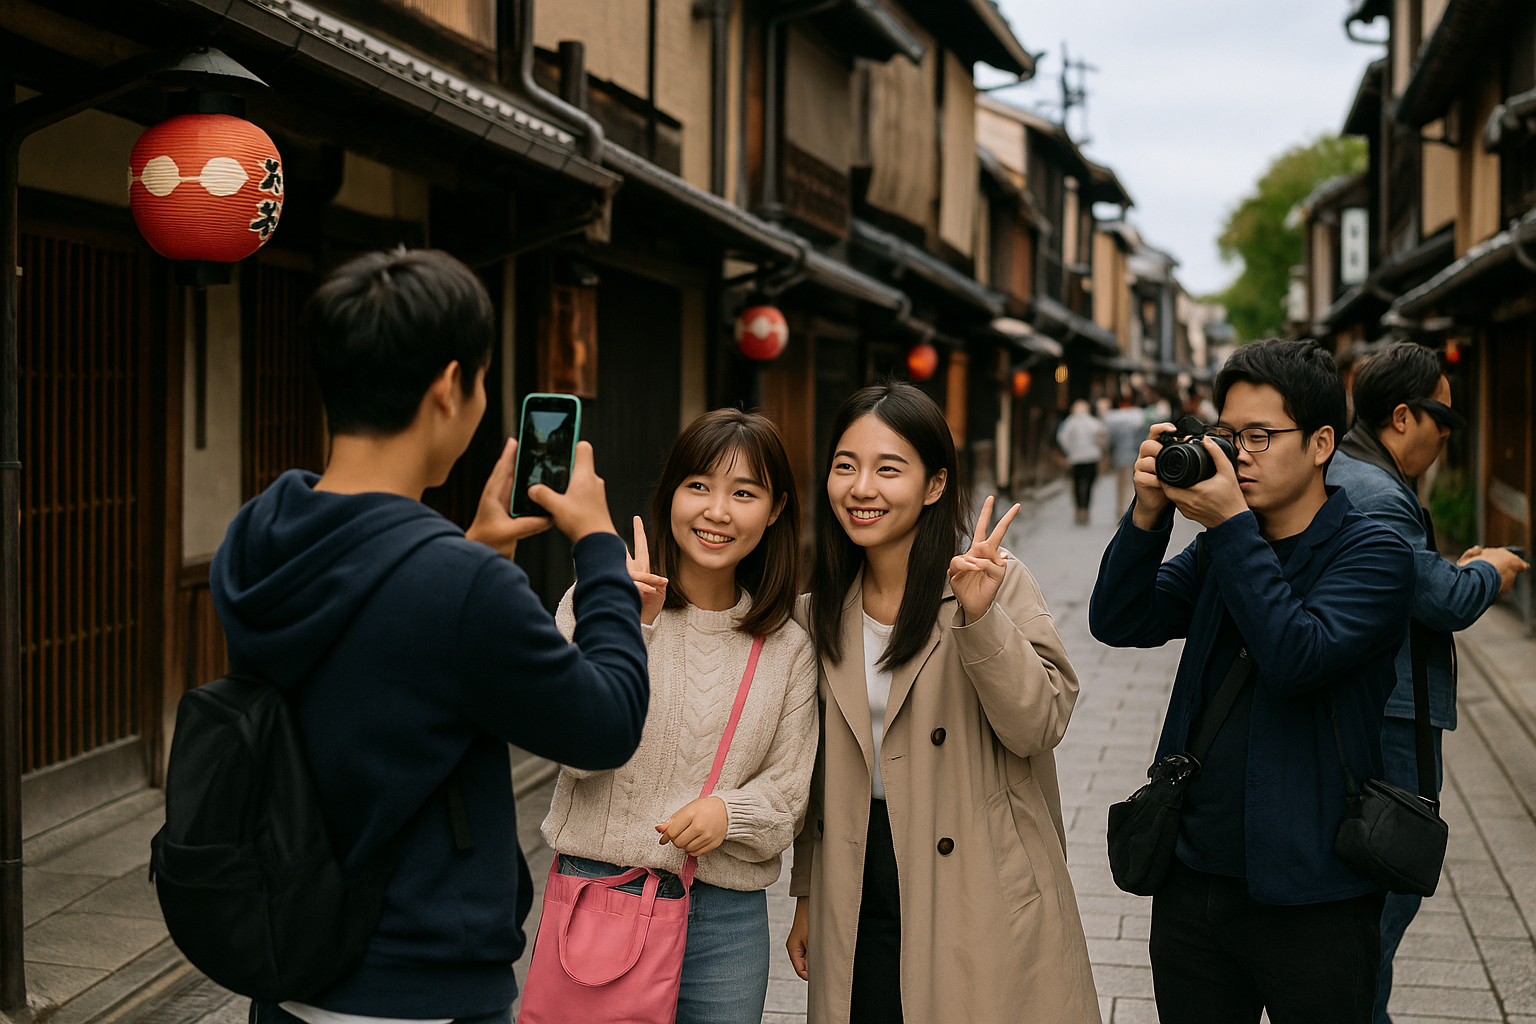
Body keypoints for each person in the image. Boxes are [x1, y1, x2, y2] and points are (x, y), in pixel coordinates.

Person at [211, 249, 650, 1024]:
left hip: (289, 959)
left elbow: (376, 668)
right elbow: (606, 722)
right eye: (480, 381)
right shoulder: (457, 588)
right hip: (414, 979)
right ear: (450, 388)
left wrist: (473, 553)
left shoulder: (261, 534)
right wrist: (599, 547)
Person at [1089, 339, 1416, 1023]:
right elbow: (1121, 619)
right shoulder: (1220, 549)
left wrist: (1232, 523)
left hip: (1317, 895)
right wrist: (1148, 513)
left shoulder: (1375, 552)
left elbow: (1298, 657)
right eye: (1227, 435)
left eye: (1260, 436)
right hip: (1193, 884)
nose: (1238, 454)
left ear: (1323, 442)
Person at [785, 382, 1099, 1024]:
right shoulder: (818, 608)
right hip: (859, 870)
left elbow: (1039, 725)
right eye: (845, 465)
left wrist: (981, 618)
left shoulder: (993, 582)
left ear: (934, 486)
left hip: (976, 870)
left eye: (888, 469)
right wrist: (808, 893)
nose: (861, 488)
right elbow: (819, 776)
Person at [539, 408, 819, 1024]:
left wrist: (730, 812)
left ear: (773, 511)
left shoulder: (788, 648)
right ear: (670, 494)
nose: (717, 511)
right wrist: (628, 628)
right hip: (598, 896)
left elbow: (790, 799)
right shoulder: (598, 604)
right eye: (699, 486)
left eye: (743, 493)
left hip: (725, 923)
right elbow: (575, 753)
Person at [1326, 342, 1528, 1024]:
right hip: (1389, 716)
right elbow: (1438, 602)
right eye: (1443, 417)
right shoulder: (1379, 493)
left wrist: (1450, 568)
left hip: (1365, 705)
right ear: (1404, 416)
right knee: (1387, 884)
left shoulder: (1351, 471)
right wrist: (1488, 573)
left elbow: (1407, 580)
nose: (1448, 433)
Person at [1058, 399, 1107, 524]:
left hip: (1076, 458)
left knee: (1077, 483)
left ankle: (1079, 508)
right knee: (1089, 484)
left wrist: (1069, 450)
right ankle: (1085, 508)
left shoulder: (1070, 422)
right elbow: (1101, 436)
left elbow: (1062, 437)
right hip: (1092, 457)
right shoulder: (1093, 422)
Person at [1104, 400, 1146, 512]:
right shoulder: (1135, 426)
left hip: (1119, 458)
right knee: (1132, 486)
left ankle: (1121, 510)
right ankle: (1128, 510)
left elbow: (1111, 443)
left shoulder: (1115, 426)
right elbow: (1139, 442)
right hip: (1133, 457)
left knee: (1121, 486)